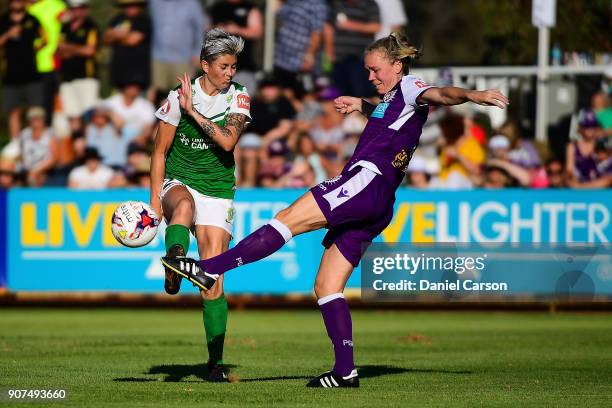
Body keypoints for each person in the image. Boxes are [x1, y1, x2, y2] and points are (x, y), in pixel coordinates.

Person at [161, 31, 508, 387]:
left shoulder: (411, 86)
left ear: (398, 65)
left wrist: (472, 96)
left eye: (375, 70)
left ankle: (207, 268)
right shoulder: (394, 99)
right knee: (327, 286)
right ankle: (345, 372)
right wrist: (362, 105)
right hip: (381, 203)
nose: (370, 77)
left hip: (364, 182)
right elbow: (394, 114)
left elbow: (439, 93)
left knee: (287, 221)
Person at [150, 28, 251, 382]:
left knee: (213, 280)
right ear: (204, 65)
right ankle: (175, 259)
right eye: (223, 66)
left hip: (218, 189)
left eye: (234, 66)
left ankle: (214, 364)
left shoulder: (239, 98)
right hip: (179, 181)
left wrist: (194, 113)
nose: (230, 73)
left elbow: (227, 143)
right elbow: (159, 152)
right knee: (182, 209)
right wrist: (153, 201)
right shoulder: (176, 97)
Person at [0, 0, 46, 139]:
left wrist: (34, 50)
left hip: (32, 73)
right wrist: (8, 35)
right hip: (10, 75)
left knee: (36, 112)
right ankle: (16, 145)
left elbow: (44, 39)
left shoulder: (32, 20)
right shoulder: (2, 21)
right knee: (13, 111)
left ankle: (36, 142)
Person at [103, 0, 151, 90]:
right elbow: (105, 38)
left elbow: (132, 41)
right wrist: (124, 34)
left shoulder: (144, 20)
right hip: (118, 73)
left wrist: (114, 35)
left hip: (138, 75)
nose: (130, 8)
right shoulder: (117, 19)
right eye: (127, 5)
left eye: (133, 5)